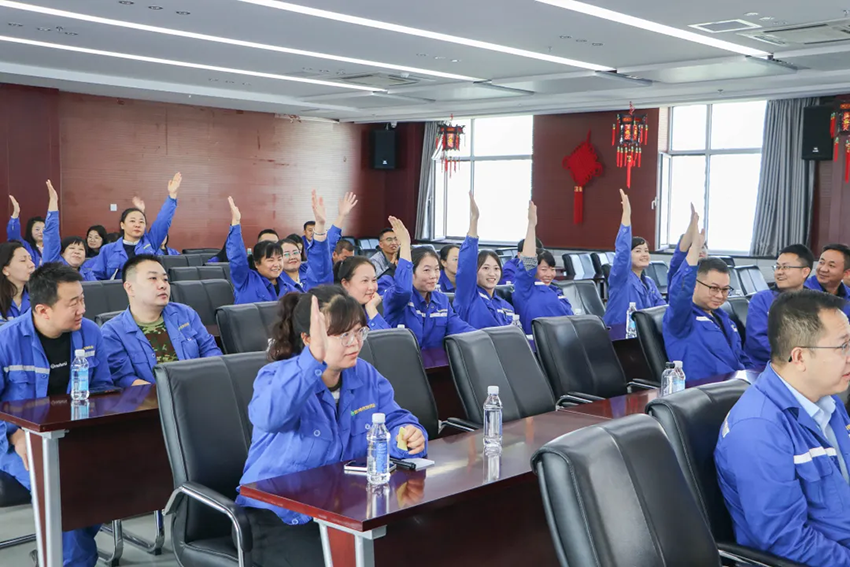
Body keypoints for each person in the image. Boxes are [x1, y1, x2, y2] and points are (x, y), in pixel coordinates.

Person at [236, 286, 427, 566]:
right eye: (342, 335)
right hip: (278, 516)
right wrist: (311, 361)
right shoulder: (277, 377)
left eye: (359, 332)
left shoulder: (365, 374)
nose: (355, 343)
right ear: (308, 339)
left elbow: (395, 419)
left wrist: (410, 434)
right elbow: (269, 417)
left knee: (417, 543)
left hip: (344, 510)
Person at [0, 263, 143, 567]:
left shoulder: (90, 332)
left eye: (82, 299)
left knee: (116, 477)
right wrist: (13, 436)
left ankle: (59, 551)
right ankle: (73, 560)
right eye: (73, 303)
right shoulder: (5, 341)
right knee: (62, 492)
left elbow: (102, 388)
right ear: (43, 310)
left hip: (74, 433)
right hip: (16, 439)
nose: (83, 309)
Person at [715, 289, 850, 566]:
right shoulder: (758, 429)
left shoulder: (828, 401)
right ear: (799, 357)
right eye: (843, 346)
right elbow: (786, 540)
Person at [102, 254, 221, 385]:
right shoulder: (112, 332)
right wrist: (164, 393)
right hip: (152, 397)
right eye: (153, 278)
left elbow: (209, 350)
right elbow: (124, 378)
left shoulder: (185, 314)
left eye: (165, 279)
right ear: (130, 288)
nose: (163, 285)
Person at [663, 230, 752, 381]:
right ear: (694, 285)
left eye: (725, 290)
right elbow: (680, 290)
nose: (720, 296)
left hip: (735, 386)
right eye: (714, 288)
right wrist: (694, 249)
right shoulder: (681, 318)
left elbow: (741, 359)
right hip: (703, 390)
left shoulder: (724, 318)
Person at [382, 218, 474, 349]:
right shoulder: (396, 298)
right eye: (426, 270)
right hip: (403, 360)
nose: (433, 275)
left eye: (436, 269)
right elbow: (404, 290)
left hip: (436, 361)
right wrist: (405, 243)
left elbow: (461, 329)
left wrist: (487, 339)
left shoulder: (441, 300)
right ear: (411, 272)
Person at [227, 191, 332, 304]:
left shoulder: (290, 289)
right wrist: (236, 222)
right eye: (270, 260)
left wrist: (320, 227)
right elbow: (237, 258)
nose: (276, 264)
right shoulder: (246, 280)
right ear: (257, 263)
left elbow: (319, 271)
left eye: (279, 259)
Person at [88, 173, 182, 280]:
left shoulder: (150, 243)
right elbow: (97, 277)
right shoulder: (108, 249)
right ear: (122, 225)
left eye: (141, 222)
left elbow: (163, 221)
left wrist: (172, 196)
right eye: (132, 221)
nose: (137, 225)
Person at [603, 190, 666, 339]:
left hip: (643, 333)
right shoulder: (621, 278)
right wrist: (627, 215)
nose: (644, 254)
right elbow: (622, 253)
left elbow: (662, 308)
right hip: (619, 335)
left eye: (646, 251)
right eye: (638, 251)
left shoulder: (649, 282)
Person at [744, 244, 814, 367]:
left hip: (806, 365)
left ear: (805, 272)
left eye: (785, 267)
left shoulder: (816, 302)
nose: (779, 272)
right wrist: (795, 359)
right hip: (766, 367)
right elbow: (757, 341)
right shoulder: (761, 300)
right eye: (777, 267)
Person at [454, 193, 516, 329]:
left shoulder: (507, 306)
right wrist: (474, 220)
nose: (492, 273)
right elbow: (466, 267)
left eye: (496, 268)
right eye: (486, 268)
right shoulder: (467, 296)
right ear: (475, 271)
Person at [512, 201, 573, 337]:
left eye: (552, 269)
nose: (549, 274)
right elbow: (528, 261)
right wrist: (531, 225)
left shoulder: (557, 291)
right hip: (536, 344)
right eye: (544, 269)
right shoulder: (524, 289)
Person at [41, 180, 96, 281]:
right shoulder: (53, 264)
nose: (77, 252)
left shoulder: (87, 273)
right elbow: (51, 235)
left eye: (81, 250)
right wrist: (53, 201)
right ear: (62, 253)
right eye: (72, 248)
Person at [334, 256, 391, 330]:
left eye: (374, 280)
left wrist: (371, 310)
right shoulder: (333, 315)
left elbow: (388, 337)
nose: (371, 287)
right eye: (365, 281)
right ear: (345, 284)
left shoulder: (378, 307)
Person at [805, 244, 850, 318]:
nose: (823, 269)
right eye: (821, 262)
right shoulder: (803, 291)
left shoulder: (848, 296)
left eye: (831, 265)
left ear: (846, 273)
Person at [668, 204, 708, 284]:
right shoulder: (680, 267)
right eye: (697, 248)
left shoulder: (708, 269)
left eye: (703, 247)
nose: (701, 251)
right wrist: (693, 223)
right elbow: (682, 250)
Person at [0, 241, 34, 321]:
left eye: (30, 259)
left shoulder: (38, 297)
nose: (32, 265)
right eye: (23, 260)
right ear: (5, 270)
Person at [7, 195, 45, 267]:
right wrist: (16, 213)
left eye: (44, 229)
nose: (41, 232)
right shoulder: (26, 246)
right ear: (30, 231)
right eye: (37, 229)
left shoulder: (52, 247)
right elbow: (13, 236)